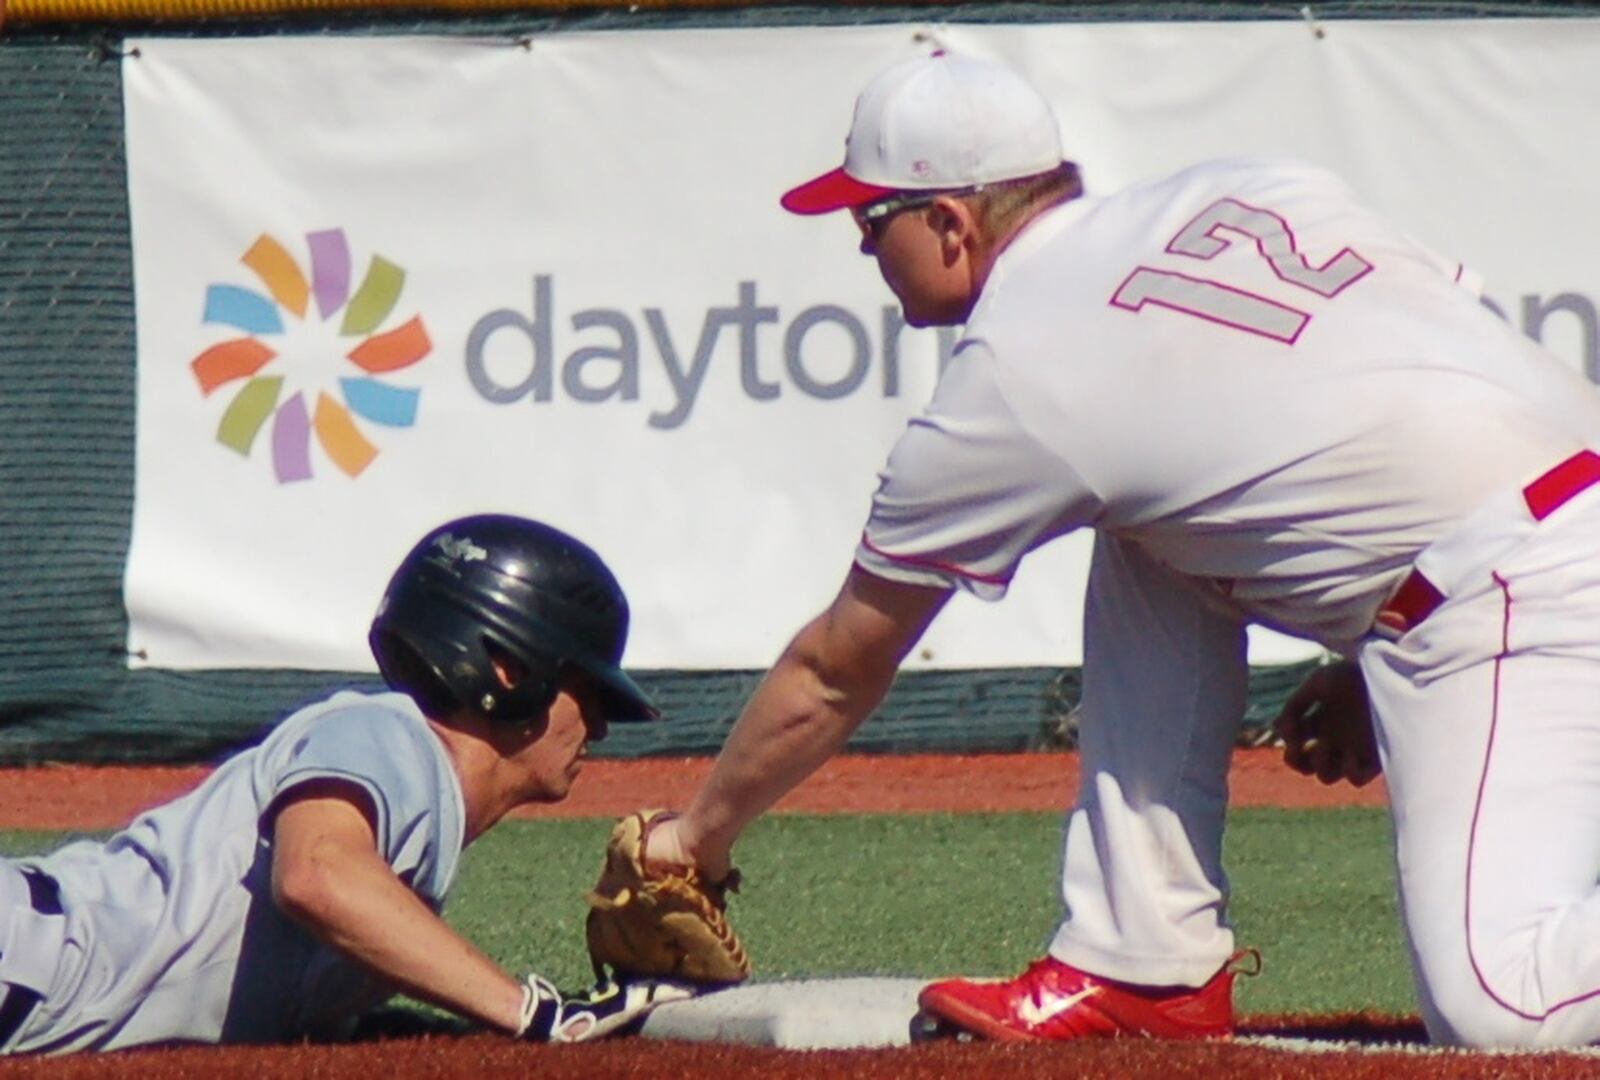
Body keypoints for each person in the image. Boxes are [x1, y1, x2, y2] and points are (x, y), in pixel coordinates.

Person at [642, 50, 1600, 1048]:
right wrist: (1375, 639)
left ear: (949, 224)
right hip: (1534, 529)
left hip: (1518, 590)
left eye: (870, 219)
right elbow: (1441, 360)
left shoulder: (1017, 371)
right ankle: (1140, 957)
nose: (859, 247)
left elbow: (837, 667)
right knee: (1145, 529)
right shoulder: (1246, 184)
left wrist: (692, 838)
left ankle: (1135, 954)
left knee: (1504, 1004)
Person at [0, 513, 686, 1054]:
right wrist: (534, 1012)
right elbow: (316, 878)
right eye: (589, 694)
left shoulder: (416, 814)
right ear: (510, 668)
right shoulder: (386, 733)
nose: (597, 727)